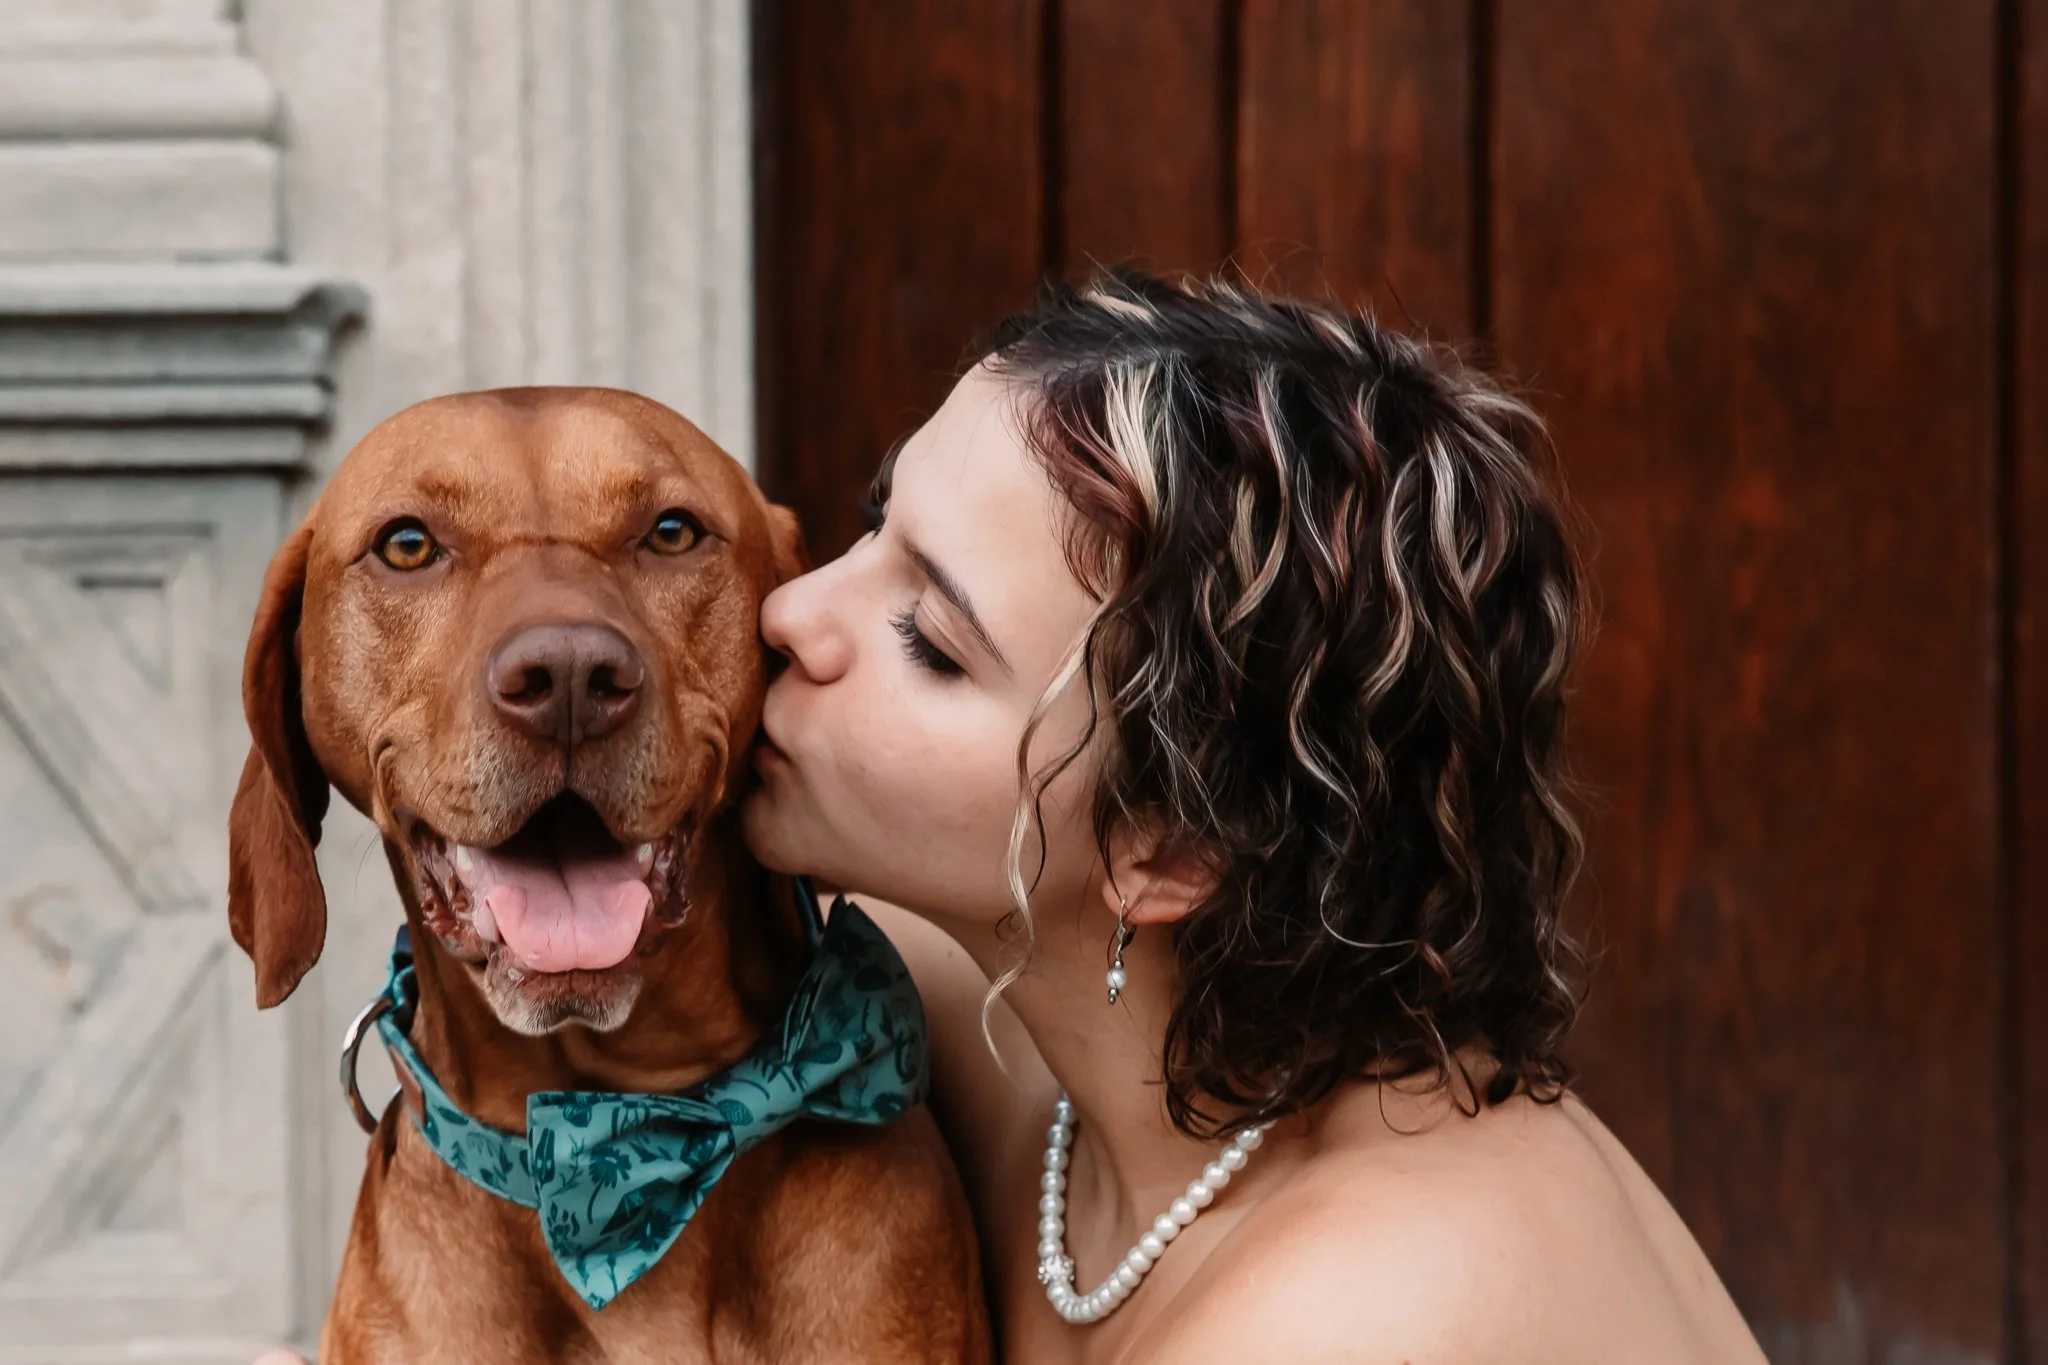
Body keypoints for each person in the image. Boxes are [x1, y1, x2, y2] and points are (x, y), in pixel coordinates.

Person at [261, 270, 1767, 1362]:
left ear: (1162, 847)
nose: (788, 613)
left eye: (932, 639)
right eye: (871, 529)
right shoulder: (948, 1030)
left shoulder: (1374, 1310)